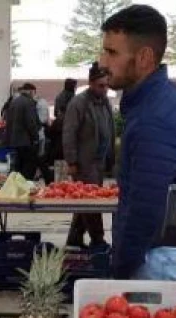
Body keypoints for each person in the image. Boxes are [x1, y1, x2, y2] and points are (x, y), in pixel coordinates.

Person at [98, 5, 176, 279]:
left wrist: (121, 267)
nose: (102, 62)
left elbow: (146, 209)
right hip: (167, 252)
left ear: (144, 57)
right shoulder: (169, 96)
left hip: (153, 260)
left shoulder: (152, 117)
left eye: (112, 52)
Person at [63, 63, 114, 247]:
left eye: (106, 85)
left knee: (84, 203)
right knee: (91, 203)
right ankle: (98, 239)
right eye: (101, 85)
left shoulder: (105, 102)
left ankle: (74, 239)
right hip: (84, 162)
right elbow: (69, 133)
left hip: (99, 162)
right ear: (91, 83)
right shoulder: (78, 103)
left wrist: (111, 158)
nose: (104, 89)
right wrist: (72, 160)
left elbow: (110, 127)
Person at [4, 83, 41, 180]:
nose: (34, 95)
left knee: (19, 166)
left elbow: (8, 121)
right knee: (28, 167)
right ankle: (26, 186)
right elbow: (31, 122)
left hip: (16, 141)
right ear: (31, 91)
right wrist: (35, 138)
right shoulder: (28, 102)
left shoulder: (14, 102)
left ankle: (18, 187)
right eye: (34, 92)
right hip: (27, 141)